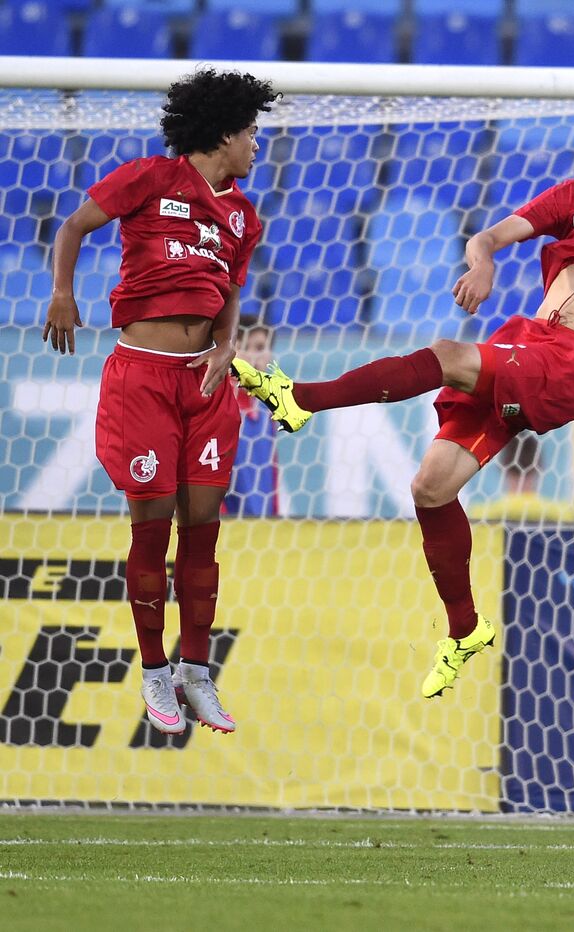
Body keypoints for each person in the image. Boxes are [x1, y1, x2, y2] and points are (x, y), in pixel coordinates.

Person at [232, 101, 574, 700]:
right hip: (531, 340)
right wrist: (483, 263)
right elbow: (488, 235)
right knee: (430, 487)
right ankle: (464, 629)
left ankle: (300, 399)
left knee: (448, 353)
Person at [42, 68, 276, 735]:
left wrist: (228, 346)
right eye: (253, 132)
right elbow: (73, 227)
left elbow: (230, 291)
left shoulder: (243, 216)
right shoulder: (148, 178)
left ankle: (194, 672)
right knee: (151, 526)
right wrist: (63, 292)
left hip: (204, 384)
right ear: (225, 132)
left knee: (204, 526)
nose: (258, 145)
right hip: (143, 376)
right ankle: (152, 671)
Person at [225, 315, 279, 517]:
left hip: (261, 528)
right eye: (245, 347)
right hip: (226, 527)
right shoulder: (218, 408)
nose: (253, 357)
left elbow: (272, 476)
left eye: (260, 348)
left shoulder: (266, 410)